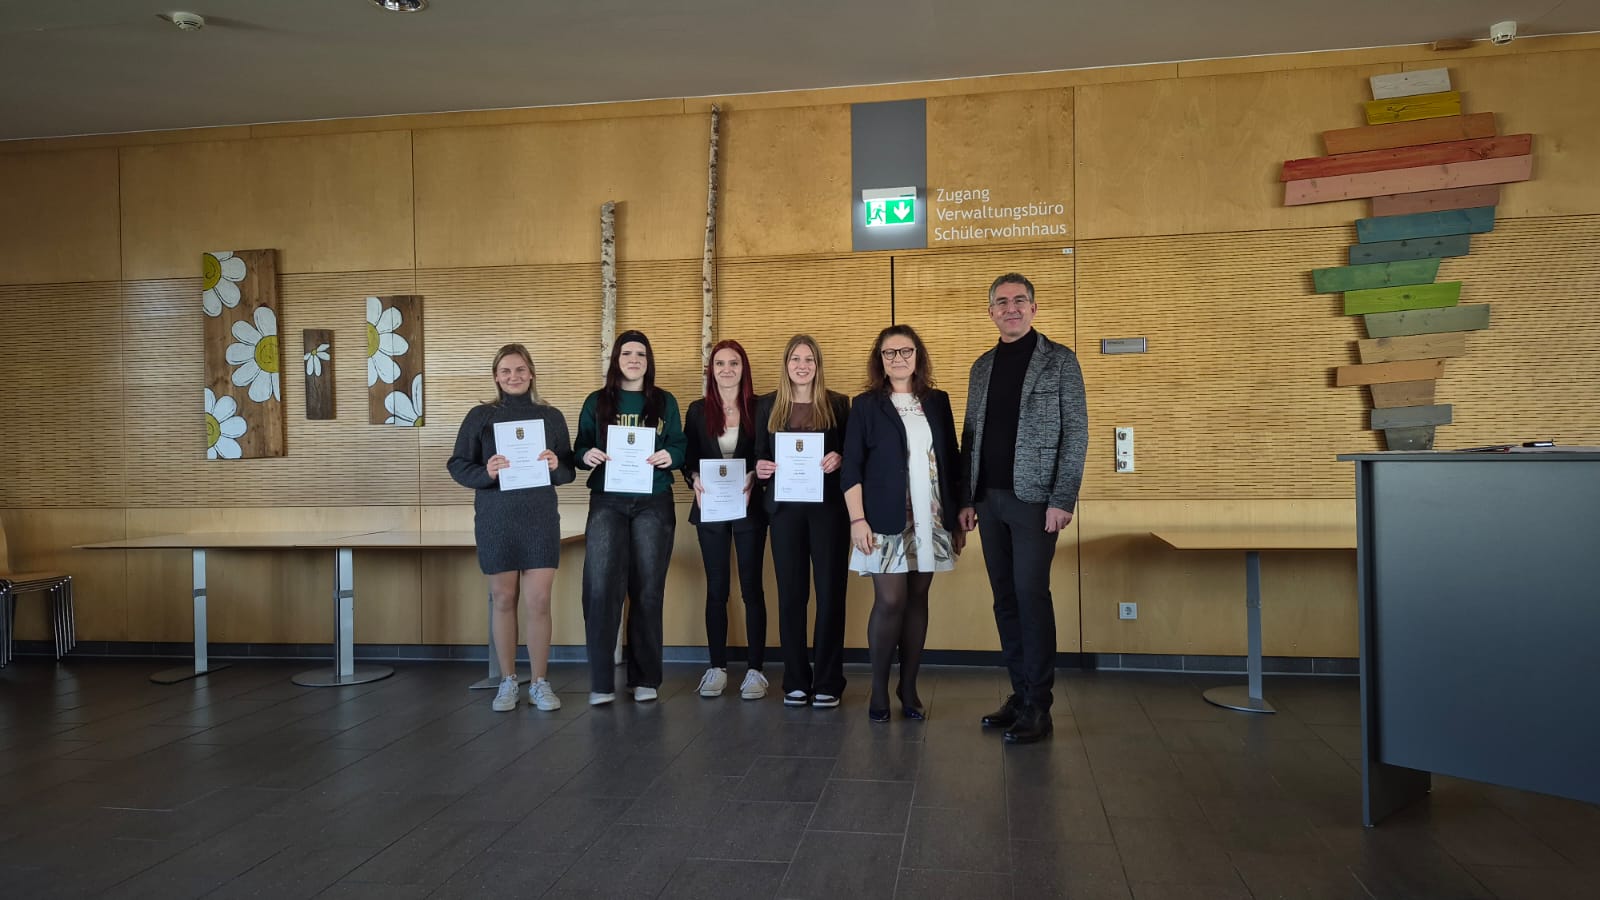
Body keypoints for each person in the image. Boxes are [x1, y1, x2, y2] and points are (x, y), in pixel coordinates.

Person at [958, 273, 1088, 744]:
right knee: (1004, 598)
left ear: (1033, 308)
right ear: (990, 311)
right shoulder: (981, 367)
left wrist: (1062, 498)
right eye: (1001, 302)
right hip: (988, 502)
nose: (1010, 308)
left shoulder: (1060, 362)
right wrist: (966, 499)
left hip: (1036, 503)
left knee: (1031, 596)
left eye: (1019, 301)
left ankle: (1039, 705)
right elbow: (970, 436)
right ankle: (1019, 693)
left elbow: (1076, 434)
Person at [841, 325, 964, 722]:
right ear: (880, 359)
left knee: (917, 600)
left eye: (905, 351)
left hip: (933, 517)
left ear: (918, 355)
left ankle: (908, 687)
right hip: (883, 518)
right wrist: (857, 519)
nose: (898, 359)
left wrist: (959, 514)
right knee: (891, 600)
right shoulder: (865, 405)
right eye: (889, 353)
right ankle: (878, 687)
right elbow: (852, 468)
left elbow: (952, 460)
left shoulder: (937, 401)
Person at [447, 343, 576, 713]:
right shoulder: (481, 416)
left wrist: (556, 464)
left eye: (520, 370)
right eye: (505, 371)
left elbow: (568, 470)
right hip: (496, 518)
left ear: (531, 373)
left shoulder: (550, 416)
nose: (513, 377)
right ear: (496, 377)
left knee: (538, 601)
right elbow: (457, 464)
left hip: (539, 518)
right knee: (503, 600)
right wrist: (485, 472)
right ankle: (507, 681)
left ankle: (539, 682)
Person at [573, 330, 687, 706]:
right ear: (616, 359)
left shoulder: (665, 401)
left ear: (648, 359)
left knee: (648, 590)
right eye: (627, 353)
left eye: (640, 353)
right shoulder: (597, 401)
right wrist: (586, 455)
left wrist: (670, 456)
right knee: (601, 587)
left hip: (653, 500)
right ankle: (601, 681)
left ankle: (645, 678)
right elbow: (579, 447)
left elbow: (679, 445)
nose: (634, 359)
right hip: (608, 499)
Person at [754, 335, 851, 708]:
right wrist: (761, 469)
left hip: (828, 511)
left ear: (818, 364)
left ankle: (828, 681)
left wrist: (839, 458)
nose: (802, 365)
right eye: (795, 358)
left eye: (809, 359)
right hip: (784, 513)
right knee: (792, 596)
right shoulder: (767, 405)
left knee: (830, 596)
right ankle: (795, 679)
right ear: (786, 364)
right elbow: (759, 458)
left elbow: (852, 453)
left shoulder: (839, 404)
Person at [683, 339, 769, 700]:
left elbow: (768, 454)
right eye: (720, 363)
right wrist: (694, 480)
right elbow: (688, 460)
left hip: (750, 508)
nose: (727, 369)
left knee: (751, 589)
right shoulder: (698, 410)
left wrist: (754, 475)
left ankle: (755, 671)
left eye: (734, 363)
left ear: (743, 369)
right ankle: (716, 667)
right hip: (711, 509)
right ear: (711, 370)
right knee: (717, 589)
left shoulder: (761, 408)